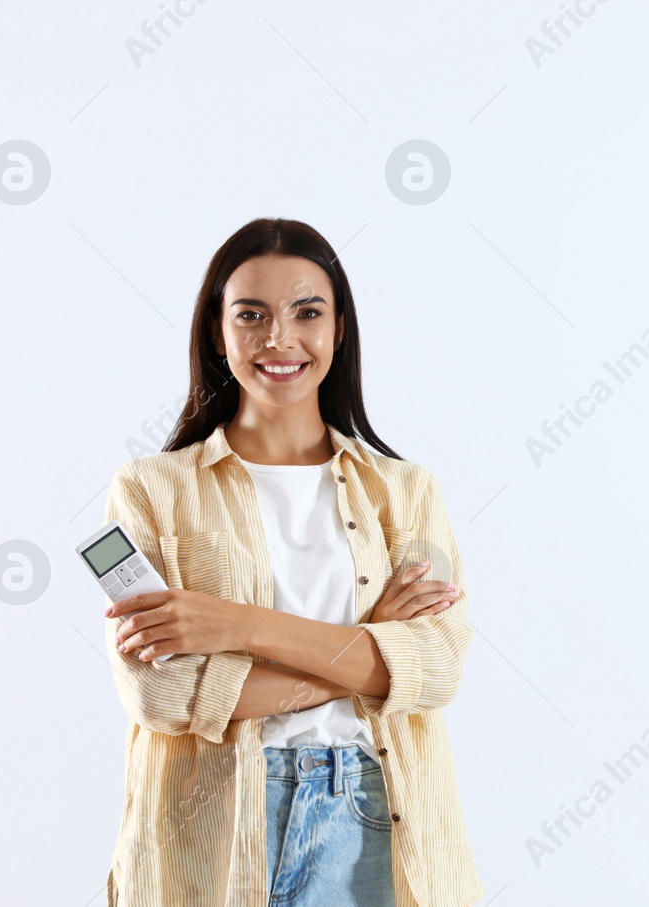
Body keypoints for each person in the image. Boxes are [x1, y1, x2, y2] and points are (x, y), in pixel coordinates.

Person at [98, 217, 483, 906]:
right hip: (205, 828)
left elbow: (434, 670)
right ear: (218, 331)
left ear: (339, 330)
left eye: (308, 312)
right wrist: (368, 654)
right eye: (251, 315)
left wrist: (232, 624)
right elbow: (161, 696)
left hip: (372, 814)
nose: (279, 338)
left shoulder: (407, 491)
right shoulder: (149, 489)